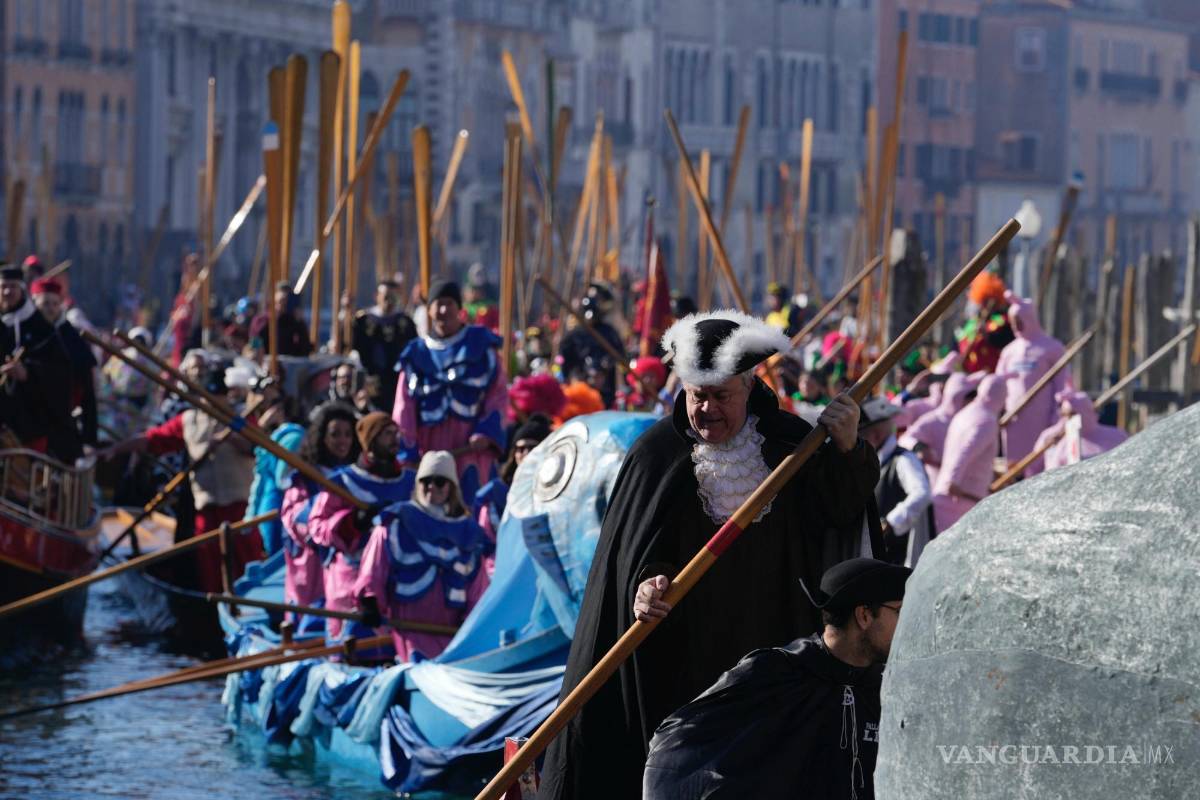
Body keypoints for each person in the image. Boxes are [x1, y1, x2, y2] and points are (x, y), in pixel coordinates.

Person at [537, 310, 883, 800]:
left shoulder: (793, 446)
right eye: (697, 396)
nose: (707, 410)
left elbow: (840, 512)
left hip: (773, 645)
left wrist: (848, 449)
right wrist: (646, 585)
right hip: (682, 658)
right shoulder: (656, 455)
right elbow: (640, 550)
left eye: (721, 396)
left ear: (748, 386)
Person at [643, 557, 910, 800]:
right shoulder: (775, 673)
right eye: (899, 611)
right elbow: (675, 745)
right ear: (864, 615)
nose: (908, 623)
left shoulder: (884, 687)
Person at [102, 369, 262, 592]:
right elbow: (153, 439)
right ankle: (214, 605)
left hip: (240, 507)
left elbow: (256, 448)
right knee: (210, 564)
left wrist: (231, 439)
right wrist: (117, 449)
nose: (215, 400)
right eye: (210, 395)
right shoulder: (189, 421)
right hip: (206, 508)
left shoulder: (241, 418)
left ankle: (249, 601)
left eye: (220, 395)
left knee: (247, 561)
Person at [354, 450, 491, 660]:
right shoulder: (396, 523)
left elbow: (478, 588)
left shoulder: (467, 533)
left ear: (451, 488)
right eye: (426, 480)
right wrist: (371, 602)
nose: (431, 487)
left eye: (439, 481)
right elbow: (374, 567)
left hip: (452, 638)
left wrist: (471, 625)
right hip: (408, 635)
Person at [392, 279, 507, 503]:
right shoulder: (415, 354)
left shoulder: (481, 346)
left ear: (459, 308)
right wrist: (409, 450)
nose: (444, 310)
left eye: (449, 304)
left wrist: (486, 431)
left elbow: (498, 394)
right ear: (430, 310)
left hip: (470, 450)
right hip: (430, 451)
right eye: (438, 304)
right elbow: (403, 407)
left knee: (473, 507)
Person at [308, 411, 414, 640]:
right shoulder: (342, 482)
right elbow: (316, 527)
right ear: (371, 441)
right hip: (350, 580)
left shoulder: (411, 482)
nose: (395, 439)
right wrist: (353, 522)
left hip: (399, 579)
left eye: (396, 433)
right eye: (387, 434)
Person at [279, 403, 359, 624]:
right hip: (313, 566)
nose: (342, 441)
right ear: (322, 437)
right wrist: (328, 515)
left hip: (347, 563)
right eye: (335, 434)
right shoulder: (304, 477)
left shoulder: (357, 476)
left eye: (347, 435)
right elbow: (293, 518)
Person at [0, 265, 78, 460]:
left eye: (12, 286)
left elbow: (60, 373)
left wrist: (27, 373)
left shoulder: (40, 329)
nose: (7, 292)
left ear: (22, 290)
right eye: (3, 287)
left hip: (28, 424)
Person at [996, 292, 1068, 473]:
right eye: (1013, 321)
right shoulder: (1008, 352)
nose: (1016, 325)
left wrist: (1056, 418)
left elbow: (1062, 386)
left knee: (1039, 465)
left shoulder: (1052, 348)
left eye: (1019, 320)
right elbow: (997, 383)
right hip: (1013, 421)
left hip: (1041, 420)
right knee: (1013, 468)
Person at [858, 398, 933, 568]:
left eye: (862, 434)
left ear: (875, 434)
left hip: (899, 556)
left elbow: (922, 493)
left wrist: (891, 521)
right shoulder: (872, 463)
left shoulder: (903, 460)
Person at [931, 374, 1006, 534]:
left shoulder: (965, 412)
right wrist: (953, 481)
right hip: (961, 497)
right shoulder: (986, 420)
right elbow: (966, 450)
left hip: (950, 495)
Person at [243, 379, 305, 556]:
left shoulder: (293, 437)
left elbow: (283, 479)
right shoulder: (271, 437)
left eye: (272, 404)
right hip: (267, 507)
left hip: (279, 508)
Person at [898, 372, 974, 487]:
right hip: (937, 484)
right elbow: (904, 437)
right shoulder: (934, 417)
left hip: (965, 487)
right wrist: (919, 446)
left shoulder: (972, 420)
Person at [352, 279, 416, 410]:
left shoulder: (405, 322)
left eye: (393, 297)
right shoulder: (363, 321)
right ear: (377, 296)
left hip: (398, 381)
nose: (390, 301)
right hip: (371, 381)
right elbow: (351, 346)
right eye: (386, 297)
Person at [558, 283, 624, 407]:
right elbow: (565, 360)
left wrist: (606, 364)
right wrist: (570, 377)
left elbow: (620, 356)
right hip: (581, 382)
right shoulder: (574, 335)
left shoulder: (609, 332)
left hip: (605, 385)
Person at [1035, 390, 1127, 473]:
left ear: (1086, 412)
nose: (1067, 418)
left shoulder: (1117, 436)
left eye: (1072, 414)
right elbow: (1034, 472)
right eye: (1064, 414)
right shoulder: (1049, 437)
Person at [250, 281, 313, 357]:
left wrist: (300, 323)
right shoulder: (261, 320)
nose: (284, 303)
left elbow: (305, 350)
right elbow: (255, 344)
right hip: (266, 362)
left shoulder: (294, 321)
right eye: (282, 300)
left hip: (289, 364)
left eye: (287, 300)